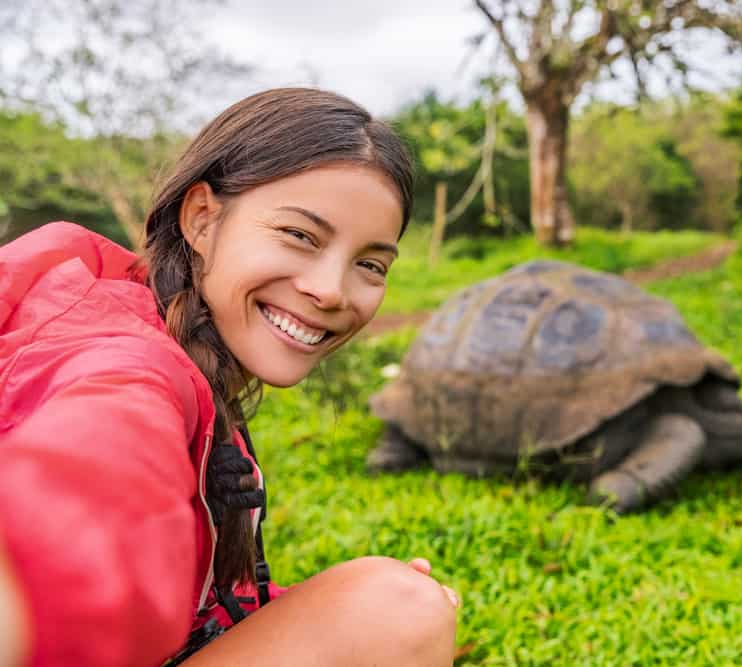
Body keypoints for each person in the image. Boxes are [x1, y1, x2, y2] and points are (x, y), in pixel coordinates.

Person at [0, 88, 458, 666]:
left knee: (388, 612)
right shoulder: (130, 366)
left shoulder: (181, 344)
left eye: (370, 264)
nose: (332, 289)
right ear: (202, 219)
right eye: (300, 235)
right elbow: (94, 475)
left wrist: (343, 617)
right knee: (396, 611)